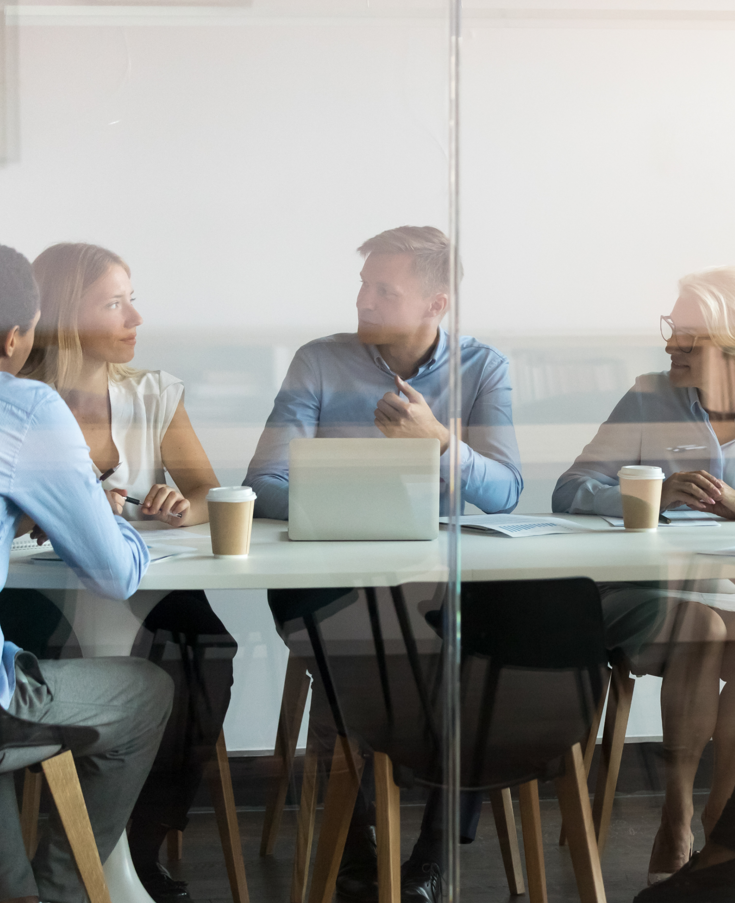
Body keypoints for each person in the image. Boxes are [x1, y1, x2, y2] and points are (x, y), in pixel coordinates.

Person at [244, 225, 523, 903]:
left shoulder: (483, 368)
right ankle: (358, 840)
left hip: (429, 586)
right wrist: (380, 487)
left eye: (383, 289)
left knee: (472, 648)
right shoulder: (318, 361)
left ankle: (431, 852)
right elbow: (264, 482)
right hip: (330, 585)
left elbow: (507, 491)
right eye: (364, 285)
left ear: (436, 304)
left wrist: (437, 444)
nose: (364, 300)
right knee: (372, 647)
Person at [12, 242, 236, 903]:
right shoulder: (14, 401)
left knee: (206, 651)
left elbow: (206, 491)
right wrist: (64, 513)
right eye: (114, 303)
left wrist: (175, 502)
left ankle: (134, 842)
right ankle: (82, 845)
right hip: (42, 594)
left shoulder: (153, 394)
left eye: (133, 299)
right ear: (61, 313)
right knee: (104, 664)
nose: (135, 317)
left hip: (146, 580)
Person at [0, 241, 173, 903]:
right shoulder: (22, 406)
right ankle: (66, 889)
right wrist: (100, 513)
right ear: (17, 335)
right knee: (145, 692)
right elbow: (115, 576)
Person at [553, 266, 735, 885]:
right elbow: (572, 488)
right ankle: (682, 814)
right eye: (672, 330)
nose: (670, 346)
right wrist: (650, 497)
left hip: (724, 591)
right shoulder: (648, 396)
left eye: (689, 335)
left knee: (723, 625)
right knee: (706, 627)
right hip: (646, 593)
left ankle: (723, 817)